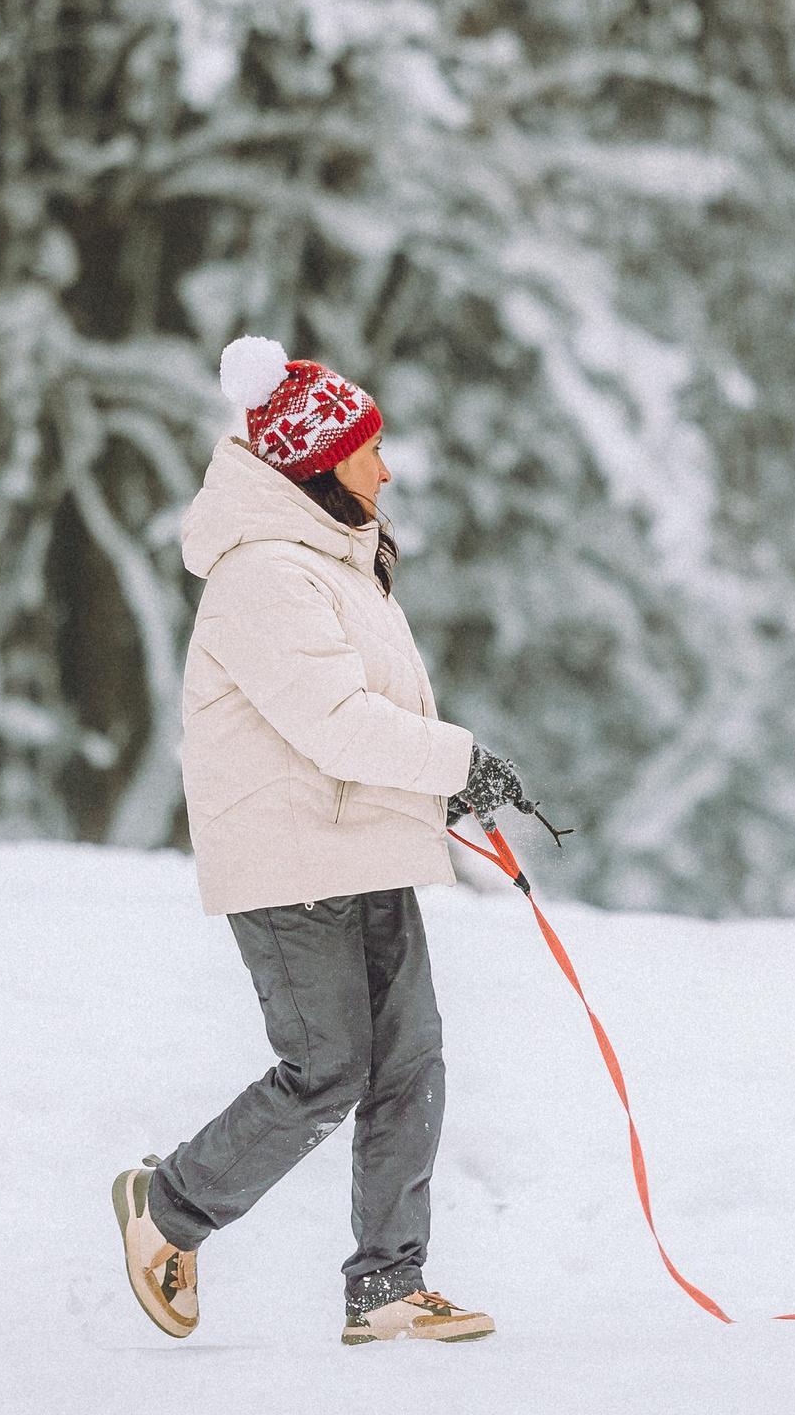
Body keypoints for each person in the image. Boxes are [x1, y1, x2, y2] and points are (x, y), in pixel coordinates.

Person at [111, 336, 533, 1347]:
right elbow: (333, 721)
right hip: (288, 865)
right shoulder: (263, 575)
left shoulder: (335, 565)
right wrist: (457, 760)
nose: (385, 469)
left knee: (409, 1064)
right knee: (327, 1069)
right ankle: (168, 1206)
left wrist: (433, 788)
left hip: (361, 847)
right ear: (316, 458)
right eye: (369, 448)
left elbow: (354, 722)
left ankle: (387, 1286)